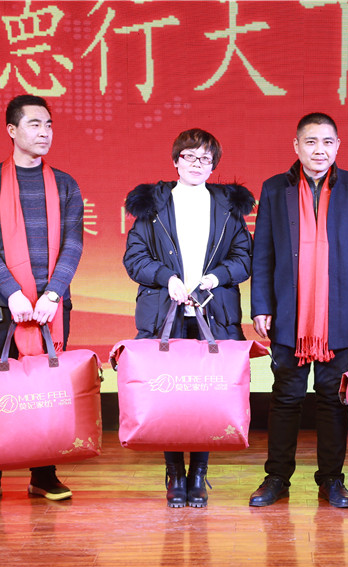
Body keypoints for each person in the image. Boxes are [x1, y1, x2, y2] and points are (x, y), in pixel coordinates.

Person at [248, 112, 348, 509]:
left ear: (337, 146)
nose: (319, 150)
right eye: (311, 142)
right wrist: (261, 305)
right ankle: (277, 477)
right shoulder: (275, 188)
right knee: (286, 396)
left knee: (331, 397)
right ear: (296, 146)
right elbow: (263, 252)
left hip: (339, 310)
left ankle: (331, 480)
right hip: (288, 312)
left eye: (327, 142)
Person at [123, 128, 254, 508]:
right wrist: (168, 279)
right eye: (190, 157)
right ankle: (174, 473)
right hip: (164, 313)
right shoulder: (153, 205)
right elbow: (134, 258)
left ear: (214, 166)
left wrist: (215, 277)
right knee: (169, 396)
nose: (197, 164)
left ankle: (198, 473)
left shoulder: (227, 207)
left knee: (205, 396)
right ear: (175, 160)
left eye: (206, 159)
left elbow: (244, 258)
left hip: (214, 313)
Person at [0, 95, 84, 506]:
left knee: (46, 391)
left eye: (49, 124)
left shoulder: (65, 185)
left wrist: (53, 293)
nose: (44, 132)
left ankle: (43, 475)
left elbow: (73, 245)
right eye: (35, 124)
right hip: (2, 305)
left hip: (51, 306)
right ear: (12, 130)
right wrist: (12, 292)